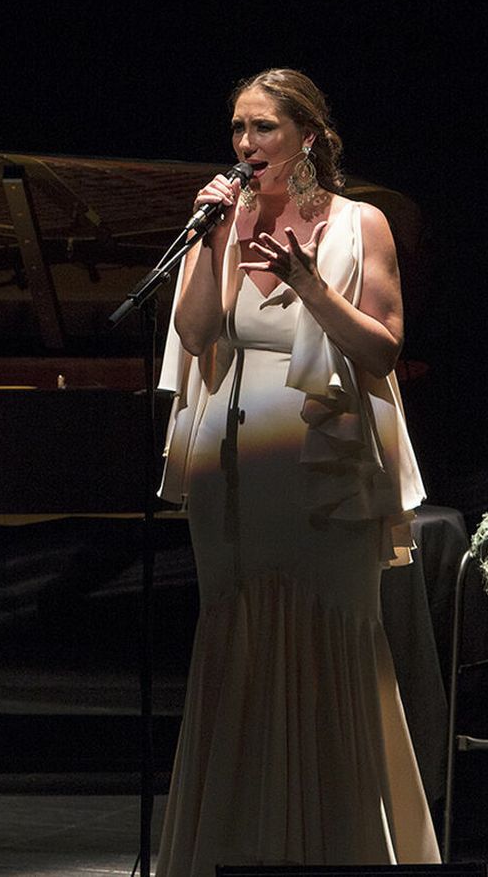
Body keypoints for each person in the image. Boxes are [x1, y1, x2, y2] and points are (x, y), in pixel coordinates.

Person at [154, 70, 439, 872]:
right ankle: (232, 846)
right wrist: (214, 239)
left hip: (325, 466)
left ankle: (338, 847)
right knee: (236, 641)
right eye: (238, 130)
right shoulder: (220, 216)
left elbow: (382, 347)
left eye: (264, 130)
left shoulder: (361, 224)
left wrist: (310, 285)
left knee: (325, 640)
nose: (246, 146)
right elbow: (198, 329)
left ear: (308, 136)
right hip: (230, 464)